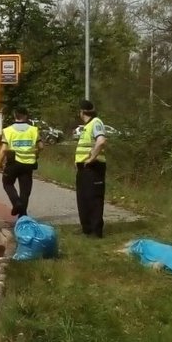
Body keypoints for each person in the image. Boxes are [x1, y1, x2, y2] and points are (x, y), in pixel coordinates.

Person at [0, 107, 42, 218]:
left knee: (7, 183)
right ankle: (22, 215)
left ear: (15, 115)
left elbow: (3, 149)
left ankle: (16, 202)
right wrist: (35, 154)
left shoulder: (8, 131)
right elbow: (41, 146)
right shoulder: (33, 130)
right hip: (28, 164)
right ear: (26, 116)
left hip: (13, 163)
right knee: (25, 190)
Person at [75, 99, 108, 238]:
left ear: (82, 112)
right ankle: (87, 229)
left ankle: (96, 231)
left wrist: (92, 158)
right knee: (83, 199)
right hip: (83, 168)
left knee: (94, 199)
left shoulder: (96, 123)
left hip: (93, 167)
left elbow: (101, 141)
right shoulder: (86, 126)